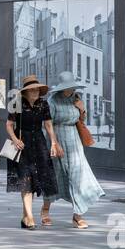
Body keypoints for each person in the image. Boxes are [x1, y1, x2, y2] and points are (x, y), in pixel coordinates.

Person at [48, 72, 106, 228]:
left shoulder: (76, 98)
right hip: (58, 139)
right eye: (68, 87)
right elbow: (47, 124)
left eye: (72, 86)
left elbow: (82, 120)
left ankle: (78, 215)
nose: (71, 89)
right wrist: (54, 143)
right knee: (56, 175)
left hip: (74, 141)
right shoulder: (52, 101)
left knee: (78, 176)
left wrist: (82, 110)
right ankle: (45, 209)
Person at [5, 75, 60, 229]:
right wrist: (15, 140)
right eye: (32, 90)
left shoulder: (43, 104)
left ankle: (25, 217)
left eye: (37, 89)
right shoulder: (16, 103)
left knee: (34, 181)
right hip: (22, 145)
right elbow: (9, 125)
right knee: (26, 180)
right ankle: (30, 216)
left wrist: (53, 143)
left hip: (39, 143)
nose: (35, 92)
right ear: (26, 92)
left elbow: (48, 126)